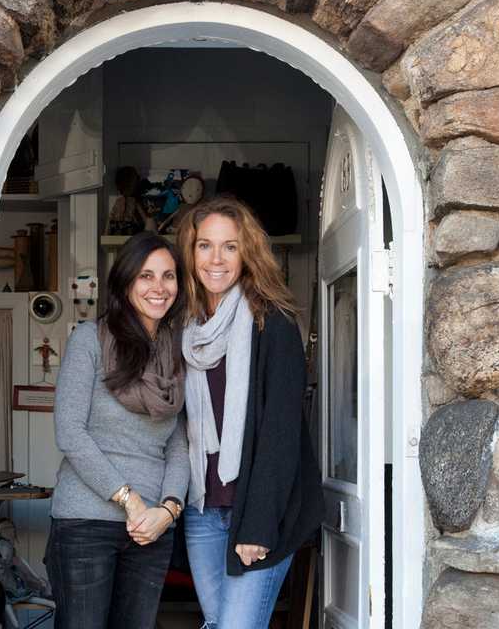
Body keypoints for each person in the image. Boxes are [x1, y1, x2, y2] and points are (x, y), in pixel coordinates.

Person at [177, 196, 324, 629]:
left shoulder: (272, 324)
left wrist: (257, 526)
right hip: (202, 510)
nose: (216, 259)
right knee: (219, 623)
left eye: (230, 246)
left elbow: (281, 432)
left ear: (248, 253)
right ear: (190, 252)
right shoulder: (184, 328)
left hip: (261, 510)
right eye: (205, 245)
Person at [46, 232, 190, 629]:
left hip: (152, 530)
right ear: (126, 282)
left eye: (168, 276)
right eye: (146, 276)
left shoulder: (177, 352)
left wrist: (168, 509)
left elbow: (179, 444)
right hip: (85, 524)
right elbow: (70, 432)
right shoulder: (89, 340)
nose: (159, 288)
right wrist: (131, 500)